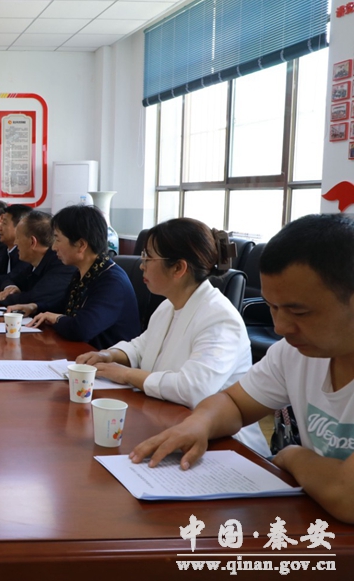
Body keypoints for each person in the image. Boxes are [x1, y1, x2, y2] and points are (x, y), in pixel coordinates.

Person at [131, 214, 354, 523]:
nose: (280, 327)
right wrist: (199, 424)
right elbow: (234, 402)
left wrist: (292, 455)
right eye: (272, 307)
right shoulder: (293, 353)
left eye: (299, 311)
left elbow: (347, 495)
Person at [74, 218, 269, 455]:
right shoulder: (169, 305)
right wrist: (109, 355)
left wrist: (125, 374)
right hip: (168, 420)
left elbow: (192, 390)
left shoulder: (220, 318)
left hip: (223, 446)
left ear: (178, 268)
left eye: (148, 257)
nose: (142, 265)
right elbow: (141, 346)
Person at [27, 205, 139, 350]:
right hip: (82, 354)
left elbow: (81, 329)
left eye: (57, 239)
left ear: (81, 245)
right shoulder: (85, 271)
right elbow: (63, 307)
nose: (53, 247)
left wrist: (56, 318)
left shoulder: (112, 282)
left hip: (105, 360)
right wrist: (34, 307)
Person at [0, 210, 76, 312]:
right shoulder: (35, 262)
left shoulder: (61, 264)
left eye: (18, 237)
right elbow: (8, 279)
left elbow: (34, 298)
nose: (15, 242)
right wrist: (10, 288)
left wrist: (7, 297)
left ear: (32, 242)